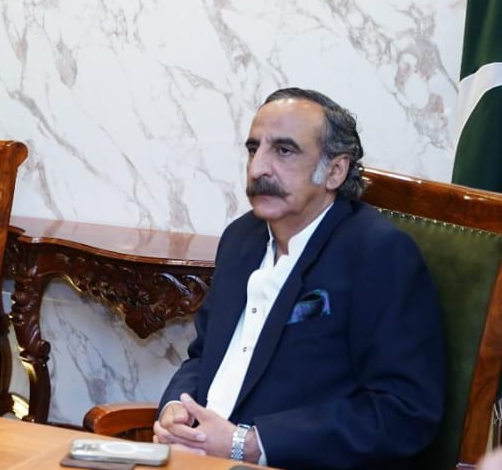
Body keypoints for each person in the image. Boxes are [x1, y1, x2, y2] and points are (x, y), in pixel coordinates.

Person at [154, 87, 444, 469]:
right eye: (253, 149)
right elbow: (203, 356)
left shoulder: (378, 253)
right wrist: (177, 408)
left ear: (335, 171)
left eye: (284, 151)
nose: (257, 169)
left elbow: (404, 411)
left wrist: (249, 444)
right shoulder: (241, 238)